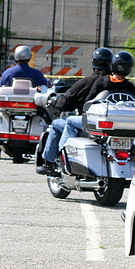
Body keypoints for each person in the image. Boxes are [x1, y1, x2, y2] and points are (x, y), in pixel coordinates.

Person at [36, 47, 113, 175]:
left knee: (56, 124)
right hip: (111, 124)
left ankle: (51, 161)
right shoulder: (118, 83)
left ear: (94, 63)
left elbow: (66, 103)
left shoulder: (85, 83)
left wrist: (53, 102)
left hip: (89, 123)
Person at [58, 51, 135, 152]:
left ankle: (62, 152)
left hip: (100, 123)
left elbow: (88, 102)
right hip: (121, 124)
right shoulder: (130, 86)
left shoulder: (102, 82)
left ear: (112, 65)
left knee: (69, 121)